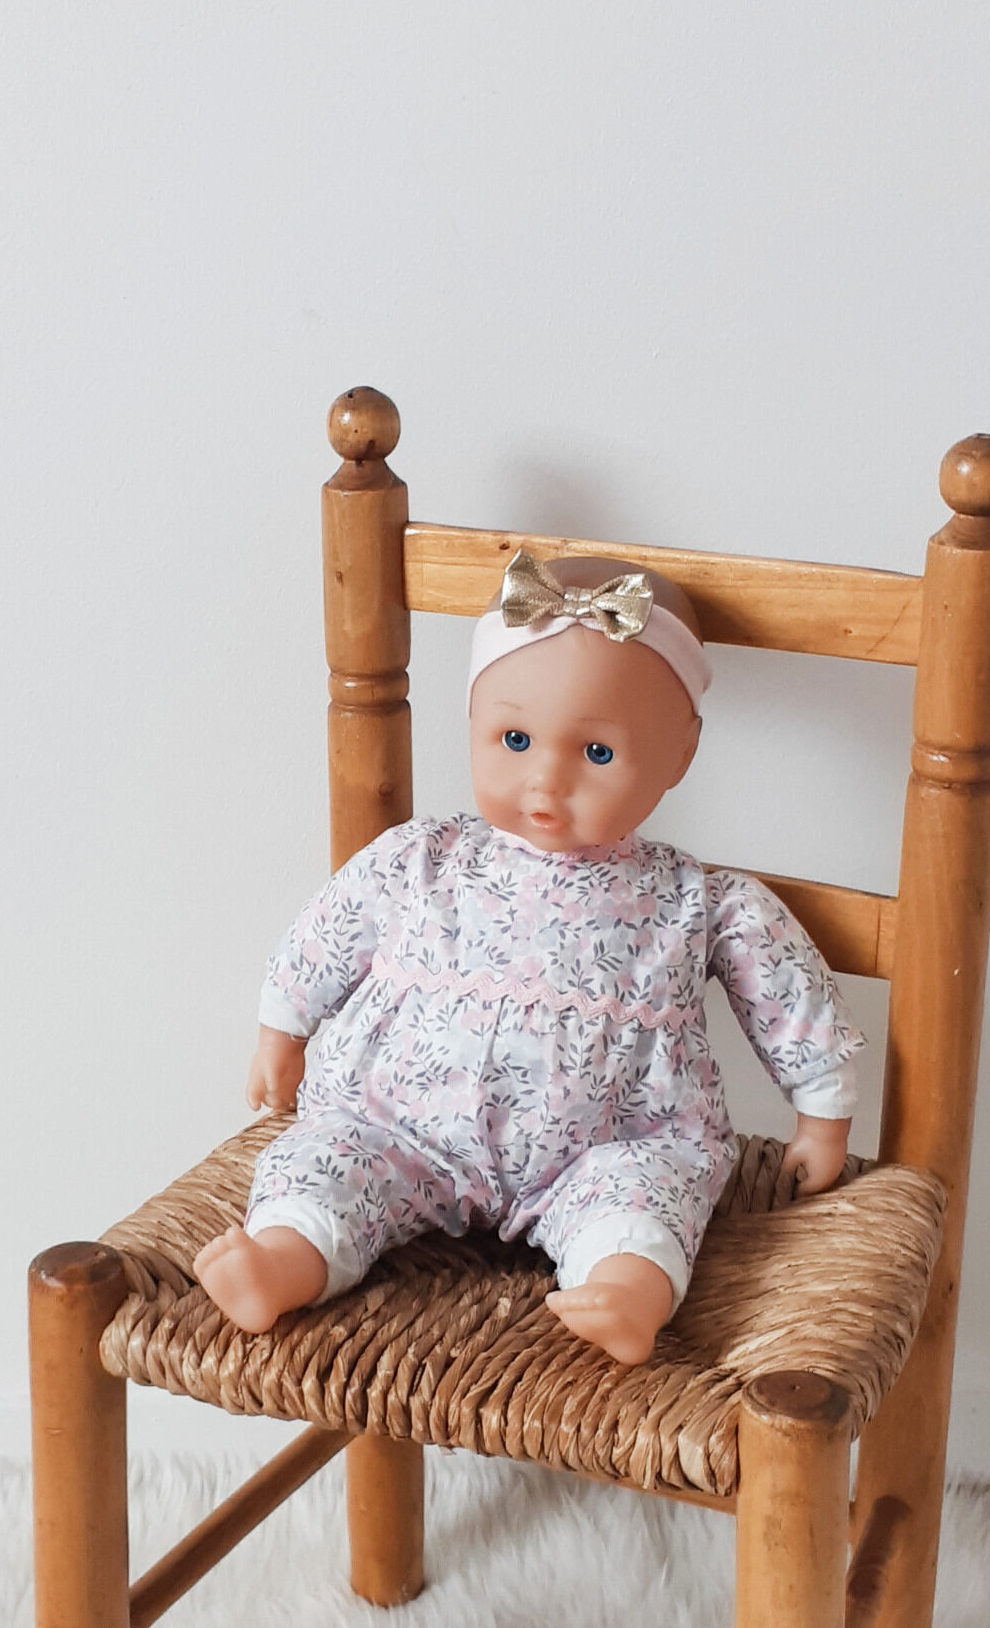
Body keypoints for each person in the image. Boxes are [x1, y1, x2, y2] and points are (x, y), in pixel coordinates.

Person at [193, 551, 868, 1365]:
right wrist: (283, 1029)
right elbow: (329, 931)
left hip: (608, 1145)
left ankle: (626, 1293)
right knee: (325, 1163)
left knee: (646, 1201)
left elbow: (786, 989)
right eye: (514, 738)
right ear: (472, 723)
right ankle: (282, 1263)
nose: (545, 779)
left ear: (679, 756)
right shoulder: (419, 858)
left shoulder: (699, 900)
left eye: (597, 753)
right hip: (402, 1129)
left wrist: (822, 1110)